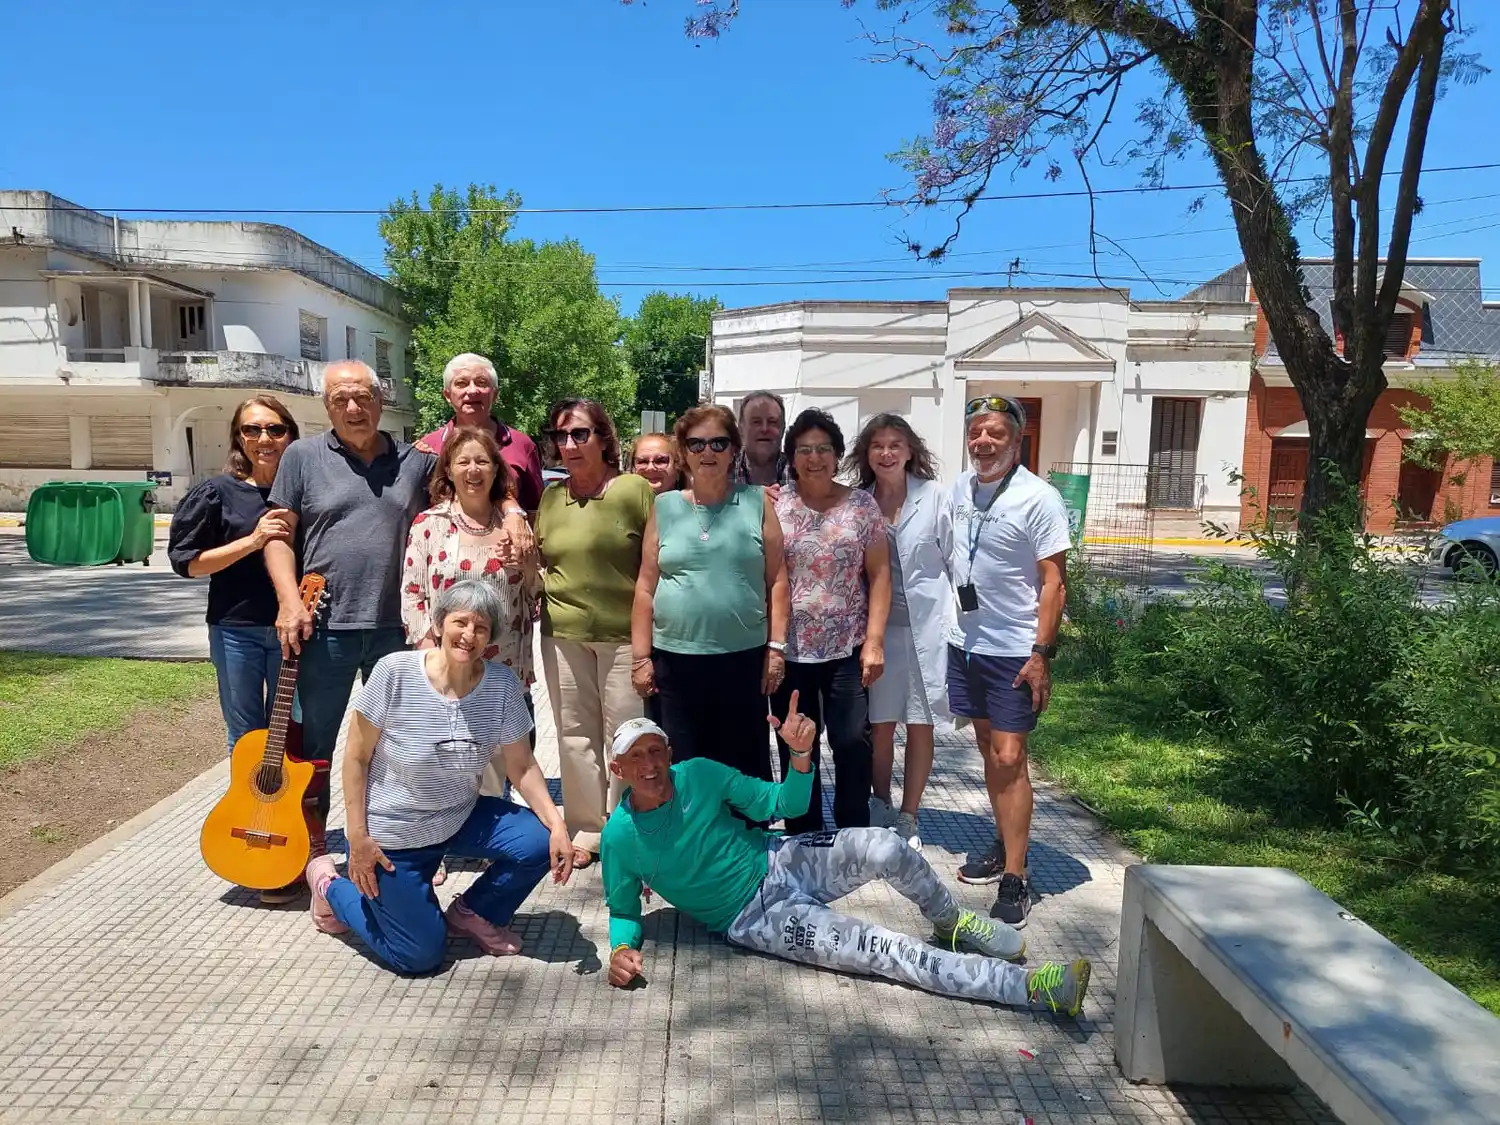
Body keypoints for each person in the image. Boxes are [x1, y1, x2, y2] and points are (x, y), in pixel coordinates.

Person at [601, 711, 1091, 1016]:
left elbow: (786, 804)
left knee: (885, 845)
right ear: (618, 769)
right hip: (754, 918)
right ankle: (1031, 987)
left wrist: (800, 756)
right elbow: (623, 910)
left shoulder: (698, 774)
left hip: (780, 858)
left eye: (655, 751)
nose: (649, 765)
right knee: (884, 948)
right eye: (635, 758)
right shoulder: (619, 838)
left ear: (669, 753)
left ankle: (950, 921)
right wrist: (621, 949)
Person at [305, 580, 572, 974]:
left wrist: (557, 826)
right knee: (418, 956)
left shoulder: (501, 685)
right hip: (394, 836)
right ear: (439, 623)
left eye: (481, 628)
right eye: (460, 622)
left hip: (459, 818)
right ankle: (330, 886)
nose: (469, 635)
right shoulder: (394, 673)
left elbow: (523, 767)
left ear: (490, 638)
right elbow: (356, 758)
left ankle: (474, 912)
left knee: (536, 840)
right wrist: (357, 837)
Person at [265, 361, 437, 810]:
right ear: (327, 406)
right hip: (323, 629)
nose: (353, 408)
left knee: (399, 742)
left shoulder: (417, 462)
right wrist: (288, 601)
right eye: (340, 399)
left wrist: (513, 514)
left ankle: (396, 832)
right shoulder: (301, 457)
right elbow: (278, 536)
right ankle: (309, 837)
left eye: (362, 397)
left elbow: (475, 485)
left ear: (381, 401)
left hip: (397, 630)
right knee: (313, 748)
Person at [938, 396, 1070, 928]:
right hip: (967, 644)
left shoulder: (1039, 498)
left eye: (995, 433)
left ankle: (1017, 875)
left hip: (1015, 650)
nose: (983, 442)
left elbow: (1054, 583)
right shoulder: (960, 489)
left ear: (1016, 440)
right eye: (976, 432)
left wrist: (1041, 655)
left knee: (1011, 756)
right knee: (990, 752)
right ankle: (1004, 842)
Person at [168, 396, 301, 905]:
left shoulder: (303, 489)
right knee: (247, 739)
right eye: (252, 430)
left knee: (293, 740)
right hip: (237, 630)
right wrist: (253, 540)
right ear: (238, 437)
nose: (264, 439)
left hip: (297, 632)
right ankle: (251, 840)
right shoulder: (217, 492)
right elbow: (188, 563)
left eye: (275, 429)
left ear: (290, 434)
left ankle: (294, 841)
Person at [630, 404, 789, 781]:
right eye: (696, 444)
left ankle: (743, 823)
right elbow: (645, 587)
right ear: (683, 453)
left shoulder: (757, 502)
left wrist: (776, 649)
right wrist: (640, 659)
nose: (708, 452)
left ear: (734, 449)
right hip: (675, 660)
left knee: (744, 765)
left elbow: (778, 581)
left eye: (718, 443)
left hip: (743, 660)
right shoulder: (665, 507)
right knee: (683, 766)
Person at [535, 398, 653, 869]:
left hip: (624, 636)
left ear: (604, 439)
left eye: (580, 433)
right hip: (563, 633)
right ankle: (587, 830)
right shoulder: (551, 498)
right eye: (561, 436)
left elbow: (656, 563)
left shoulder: (633, 490)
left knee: (627, 737)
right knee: (574, 735)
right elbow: (541, 560)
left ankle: (629, 827)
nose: (569, 444)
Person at [401, 425, 541, 802]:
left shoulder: (515, 530)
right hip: (447, 666)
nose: (473, 470)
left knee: (496, 765)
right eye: (463, 462)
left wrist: (526, 565)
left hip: (503, 667)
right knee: (445, 762)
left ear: (496, 470)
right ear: (448, 470)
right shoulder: (429, 525)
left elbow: (534, 595)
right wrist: (429, 657)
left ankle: (490, 824)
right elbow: (413, 594)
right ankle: (442, 827)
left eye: (482, 461)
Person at [771, 409, 891, 833]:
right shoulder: (775, 505)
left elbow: (880, 575)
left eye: (823, 449)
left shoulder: (862, 506)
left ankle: (853, 834)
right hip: (790, 651)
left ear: (838, 455)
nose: (814, 458)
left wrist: (874, 642)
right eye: (804, 450)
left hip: (847, 649)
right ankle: (803, 835)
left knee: (852, 742)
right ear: (791, 457)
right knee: (797, 744)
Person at [847, 414, 954, 850]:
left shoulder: (935, 498)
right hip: (877, 631)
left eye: (895, 445)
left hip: (928, 628)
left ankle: (909, 816)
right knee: (880, 725)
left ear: (910, 451)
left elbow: (956, 562)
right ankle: (881, 804)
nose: (887, 453)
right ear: (866, 454)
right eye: (878, 445)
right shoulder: (859, 502)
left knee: (921, 724)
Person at [414, 352, 544, 533]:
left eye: (481, 383)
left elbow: (535, 510)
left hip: (507, 547)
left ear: (495, 394)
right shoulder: (427, 447)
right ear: (447, 395)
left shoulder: (522, 445)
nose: (472, 390)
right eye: (461, 383)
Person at [733, 391, 791, 489]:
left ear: (783, 428)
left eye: (772, 422)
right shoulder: (723, 474)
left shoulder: (800, 474)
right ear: (741, 428)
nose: (764, 429)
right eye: (756, 422)